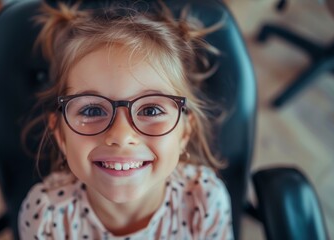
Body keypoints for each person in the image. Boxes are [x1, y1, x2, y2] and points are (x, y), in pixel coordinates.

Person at [19, 1, 233, 239]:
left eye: (151, 110)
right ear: (60, 134)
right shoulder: (47, 215)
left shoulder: (204, 201)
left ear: (184, 132)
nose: (121, 136)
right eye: (92, 111)